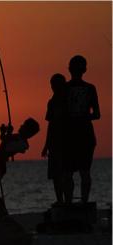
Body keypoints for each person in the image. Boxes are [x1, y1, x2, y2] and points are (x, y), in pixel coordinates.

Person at [0, 118, 40, 217]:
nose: (21, 126)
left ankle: (3, 214)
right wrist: (4, 133)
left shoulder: (23, 143)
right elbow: (4, 140)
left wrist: (8, 133)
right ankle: (2, 212)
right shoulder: (18, 137)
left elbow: (7, 147)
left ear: (28, 131)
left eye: (24, 126)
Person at [64, 55, 100, 204]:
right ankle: (84, 202)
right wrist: (84, 117)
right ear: (85, 69)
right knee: (85, 172)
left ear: (69, 69)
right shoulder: (90, 88)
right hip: (86, 135)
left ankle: (68, 203)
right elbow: (97, 114)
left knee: (68, 173)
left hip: (71, 136)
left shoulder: (64, 89)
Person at [41, 73, 68, 205]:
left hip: (67, 142)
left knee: (66, 173)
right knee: (56, 175)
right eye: (52, 85)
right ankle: (60, 200)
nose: (53, 88)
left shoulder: (69, 100)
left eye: (55, 85)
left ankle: (67, 200)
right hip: (54, 144)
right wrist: (46, 146)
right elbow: (50, 125)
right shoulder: (51, 103)